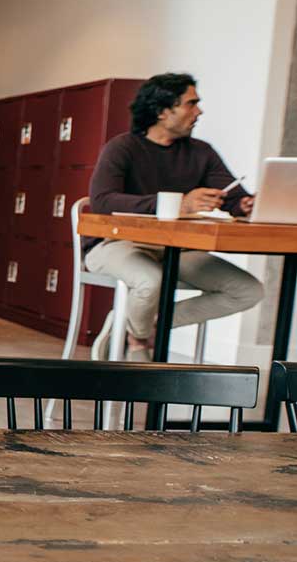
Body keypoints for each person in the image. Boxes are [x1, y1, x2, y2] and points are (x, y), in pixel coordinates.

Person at [84, 72, 264, 359]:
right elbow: (103, 201)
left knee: (248, 291)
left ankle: (138, 327)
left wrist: (244, 204)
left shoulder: (201, 152)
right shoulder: (122, 147)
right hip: (116, 244)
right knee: (150, 280)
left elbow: (232, 198)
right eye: (191, 104)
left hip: (177, 249)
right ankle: (139, 343)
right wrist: (180, 204)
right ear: (162, 111)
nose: (199, 111)